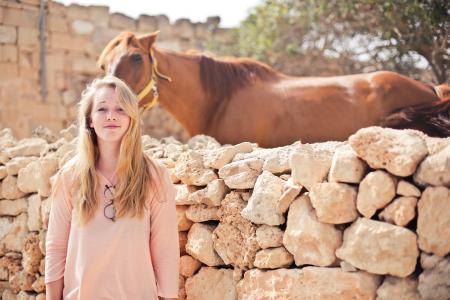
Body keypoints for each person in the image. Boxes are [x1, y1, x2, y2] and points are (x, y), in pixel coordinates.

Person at [45, 75, 180, 300]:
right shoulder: (70, 176)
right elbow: (56, 246)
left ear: (131, 119)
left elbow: (165, 249)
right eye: (102, 109)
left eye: (120, 109)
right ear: (89, 119)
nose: (111, 116)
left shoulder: (154, 175)